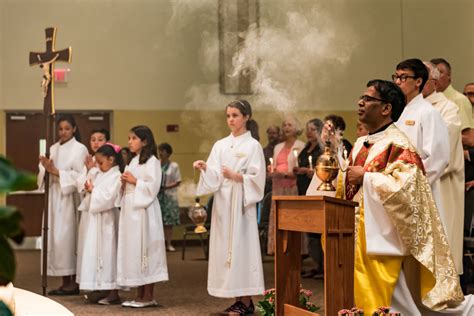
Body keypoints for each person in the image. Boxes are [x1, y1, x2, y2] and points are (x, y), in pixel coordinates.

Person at [346, 79, 464, 314]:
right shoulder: (361, 143)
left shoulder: (399, 144)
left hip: (380, 236)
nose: (360, 102)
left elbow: (406, 189)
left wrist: (366, 178)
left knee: (390, 299)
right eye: (361, 98)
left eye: (368, 99)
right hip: (355, 231)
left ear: (386, 109)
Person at [193, 99, 265, 314]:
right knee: (226, 250)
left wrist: (237, 176)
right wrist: (205, 168)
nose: (231, 119)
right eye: (228, 116)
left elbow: (258, 177)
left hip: (241, 203)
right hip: (223, 204)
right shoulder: (220, 145)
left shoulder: (253, 146)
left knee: (242, 248)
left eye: (235, 115)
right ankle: (238, 299)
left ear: (246, 117)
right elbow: (215, 176)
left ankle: (246, 300)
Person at [393, 58, 449, 236]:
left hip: (418, 188)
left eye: (403, 77)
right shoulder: (399, 112)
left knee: (422, 243)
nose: (397, 82)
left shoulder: (428, 112)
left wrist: (411, 182)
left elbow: (438, 158)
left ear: (418, 81)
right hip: (397, 187)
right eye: (396, 77)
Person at [117, 125, 168, 308]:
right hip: (131, 211)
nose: (129, 141)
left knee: (146, 249)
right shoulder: (133, 161)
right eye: (129, 138)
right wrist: (123, 185)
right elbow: (127, 186)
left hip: (145, 212)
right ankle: (139, 295)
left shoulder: (152, 161)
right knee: (135, 251)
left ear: (144, 141)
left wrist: (134, 181)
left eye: (133, 138)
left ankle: (148, 296)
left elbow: (153, 187)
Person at [37, 114, 88, 295]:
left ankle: (72, 281)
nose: (63, 132)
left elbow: (80, 176)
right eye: (60, 129)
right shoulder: (53, 148)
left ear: (74, 129)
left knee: (67, 239)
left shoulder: (80, 149)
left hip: (68, 199)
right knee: (56, 240)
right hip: (53, 198)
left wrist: (56, 171)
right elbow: (43, 174)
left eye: (67, 128)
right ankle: (64, 280)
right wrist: (44, 168)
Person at [422, 61, 465, 274]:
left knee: (442, 241)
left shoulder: (448, 108)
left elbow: (442, 147)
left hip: (439, 182)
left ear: (435, 81)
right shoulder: (408, 108)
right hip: (416, 183)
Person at [77, 143, 124, 305]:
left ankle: (113, 291)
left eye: (100, 162)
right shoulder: (102, 173)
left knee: (109, 253)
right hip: (97, 220)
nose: (98, 165)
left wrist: (93, 191)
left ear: (111, 160)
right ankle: (100, 286)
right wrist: (89, 188)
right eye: (96, 162)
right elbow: (92, 188)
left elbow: (110, 198)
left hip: (108, 220)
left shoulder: (116, 176)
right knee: (97, 253)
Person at [267, 116, 305, 255]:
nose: (286, 128)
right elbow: (275, 165)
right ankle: (277, 248)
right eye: (284, 125)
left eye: (289, 125)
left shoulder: (301, 145)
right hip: (278, 187)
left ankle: (295, 249)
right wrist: (272, 171)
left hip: (292, 186)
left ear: (296, 128)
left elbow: (300, 167)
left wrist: (285, 174)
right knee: (278, 219)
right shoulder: (278, 147)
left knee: (292, 219)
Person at [431, 58, 473, 146]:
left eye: (440, 72)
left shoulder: (459, 100)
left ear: (449, 76)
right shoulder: (427, 100)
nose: (436, 76)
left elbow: (469, 138)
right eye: (432, 73)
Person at [157, 142, 182, 252]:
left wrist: (165, 187)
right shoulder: (156, 164)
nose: (160, 153)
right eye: (160, 150)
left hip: (169, 196)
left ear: (168, 153)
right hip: (157, 196)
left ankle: (169, 244)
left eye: (163, 150)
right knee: (157, 221)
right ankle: (159, 245)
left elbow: (178, 181)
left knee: (168, 223)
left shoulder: (174, 166)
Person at [263, 125, 281, 196]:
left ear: (279, 135)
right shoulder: (264, 151)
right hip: (268, 185)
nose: (271, 135)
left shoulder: (281, 149)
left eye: (274, 133)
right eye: (270, 133)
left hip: (280, 183)